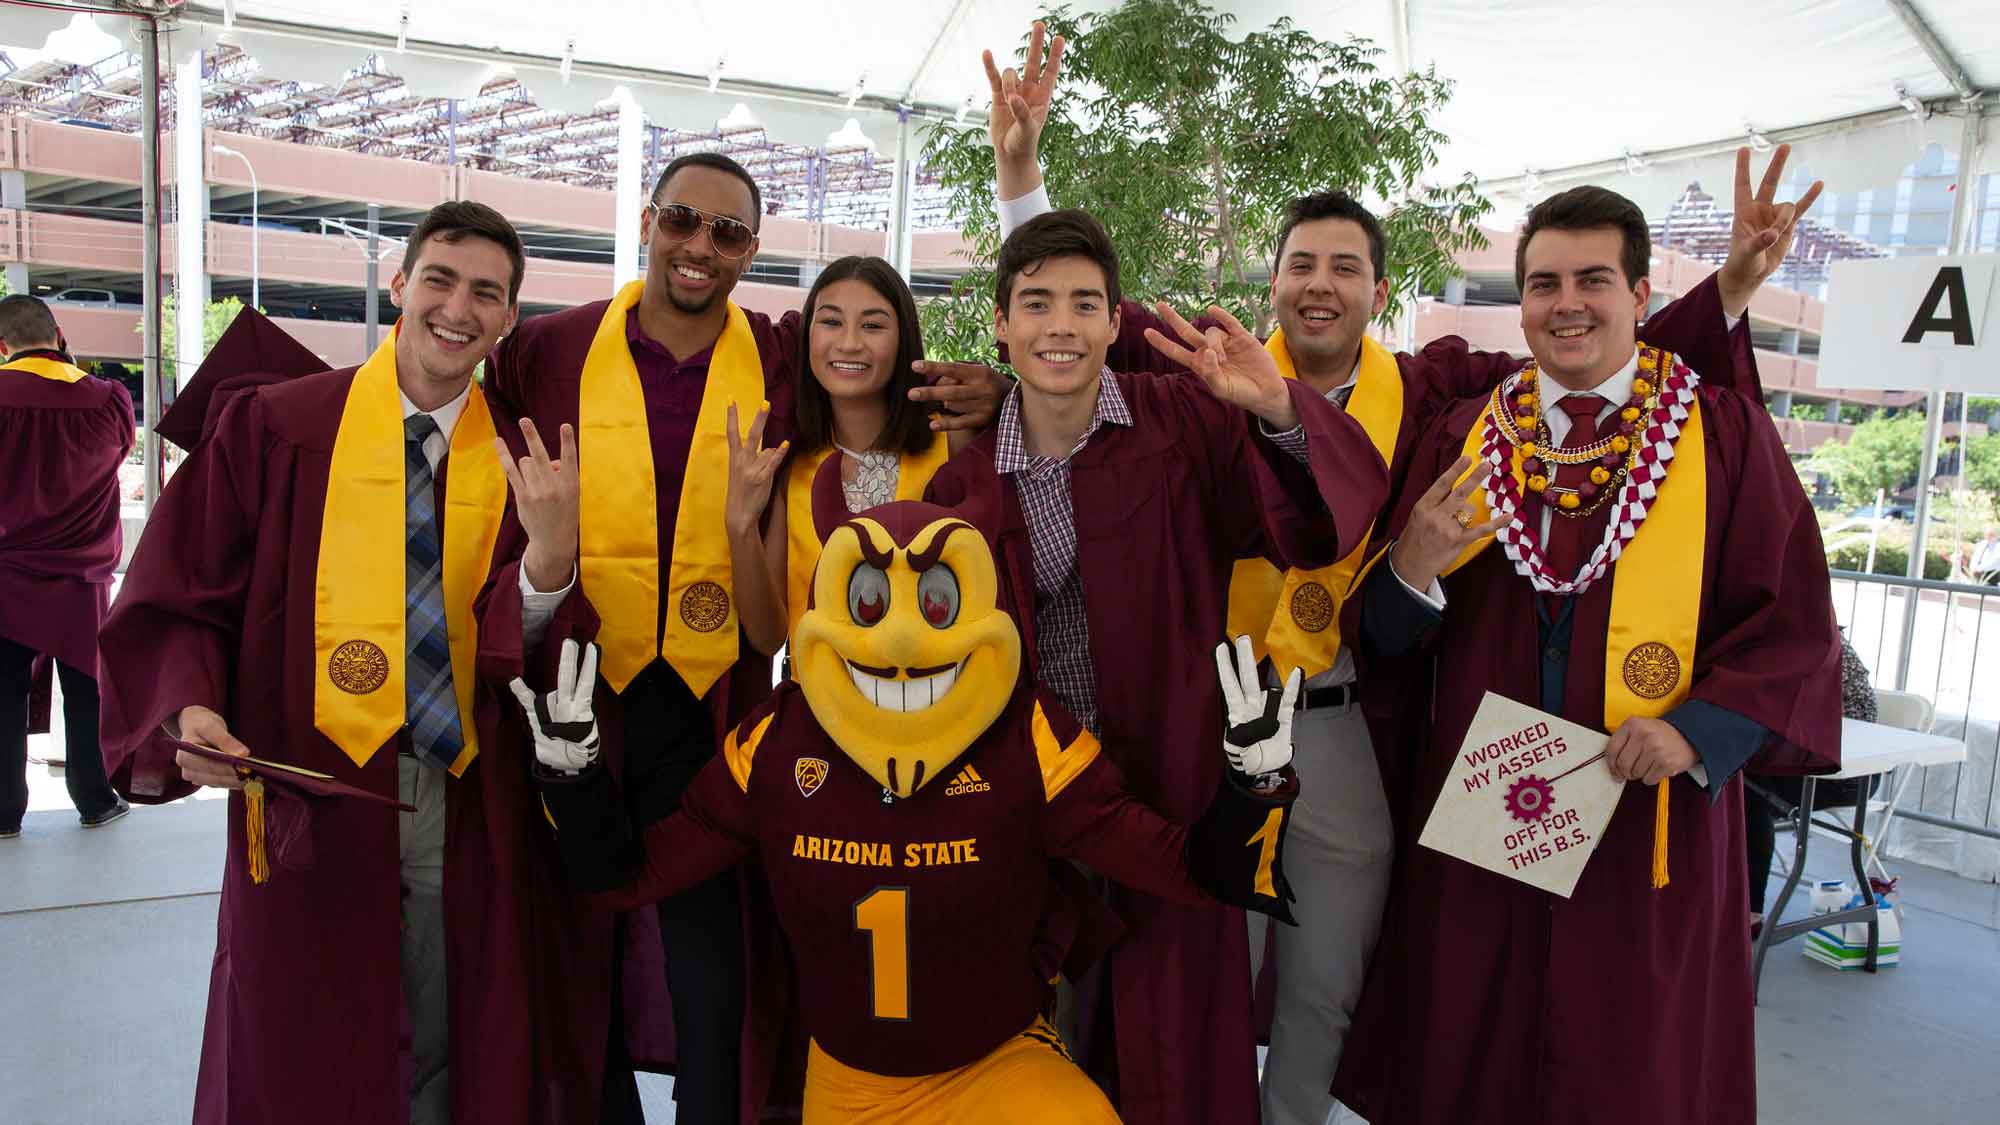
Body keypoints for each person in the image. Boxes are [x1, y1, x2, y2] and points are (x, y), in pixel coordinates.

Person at [980, 23, 1801, 1124]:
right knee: (1194, 962)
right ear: (1268, 283)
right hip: (1201, 717)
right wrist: (1020, 176)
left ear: (1378, 291)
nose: (1319, 288)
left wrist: (1732, 292)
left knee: (1333, 971)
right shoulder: (1198, 376)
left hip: (1339, 719)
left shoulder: (1435, 393)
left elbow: (1595, 359)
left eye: (1345, 270)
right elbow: (1062, 322)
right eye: (1299, 266)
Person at [476, 152, 1008, 1123]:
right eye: (682, 220)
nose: (698, 247)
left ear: (749, 250)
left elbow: (878, 371)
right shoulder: (547, 350)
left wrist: (995, 390)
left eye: (726, 233)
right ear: (647, 219)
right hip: (568, 694)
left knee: (711, 971)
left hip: (713, 700)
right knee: (569, 950)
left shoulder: (775, 351)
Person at [518, 486, 1303, 1125]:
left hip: (999, 1067)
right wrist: (576, 779)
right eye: (866, 600)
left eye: (933, 601)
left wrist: (1252, 785)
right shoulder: (779, 741)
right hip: (852, 1090)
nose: (898, 640)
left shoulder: (1027, 735)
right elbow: (632, 873)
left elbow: (1182, 868)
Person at [1334, 184, 1843, 1125]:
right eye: (1543, 283)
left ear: (1642, 295)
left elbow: (1792, 624)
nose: (1567, 303)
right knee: (1473, 1053)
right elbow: (1389, 645)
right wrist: (1411, 569)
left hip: (1643, 822)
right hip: (1491, 812)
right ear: (1520, 301)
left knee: (1631, 1064)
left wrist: (1696, 732)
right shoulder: (1468, 434)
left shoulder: (1716, 434)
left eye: (1594, 280)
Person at [916, 158, 1388, 1125]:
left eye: (1085, 304)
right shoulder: (963, 485)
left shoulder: (1183, 425)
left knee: (1171, 1029)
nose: (1060, 325)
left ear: (1111, 322)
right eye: (1036, 303)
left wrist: (1274, 412)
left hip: (1173, 779)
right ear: (999, 325)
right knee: (1037, 1027)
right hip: (1035, 794)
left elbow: (1299, 525)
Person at [98, 202, 583, 1124]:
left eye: (487, 292)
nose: (458, 306)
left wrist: (554, 565)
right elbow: (183, 589)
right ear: (399, 284)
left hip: (463, 790)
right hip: (302, 779)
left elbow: (550, 651)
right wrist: (187, 705)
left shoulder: (528, 458)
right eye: (439, 278)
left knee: (449, 1027)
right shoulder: (274, 426)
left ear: (510, 318)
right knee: (298, 1026)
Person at [723, 255, 955, 659]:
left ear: (904, 338)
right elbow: (768, 637)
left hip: (935, 701)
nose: (849, 342)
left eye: (873, 325)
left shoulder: (951, 441)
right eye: (830, 322)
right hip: (822, 707)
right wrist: (741, 526)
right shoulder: (790, 467)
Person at [0, 294, 132, 837]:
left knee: (2, 694)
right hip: (81, 576)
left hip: (6, 575)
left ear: (3, 347)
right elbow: (118, 455)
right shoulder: (108, 400)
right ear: (58, 336)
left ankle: (4, 812)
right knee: (85, 690)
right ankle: (96, 799)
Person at [1744, 630, 1878, 935]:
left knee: (1747, 789)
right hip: (1805, 761)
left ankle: (1750, 910)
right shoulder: (1794, 636)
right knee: (1739, 779)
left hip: (1847, 773)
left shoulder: (1816, 640)